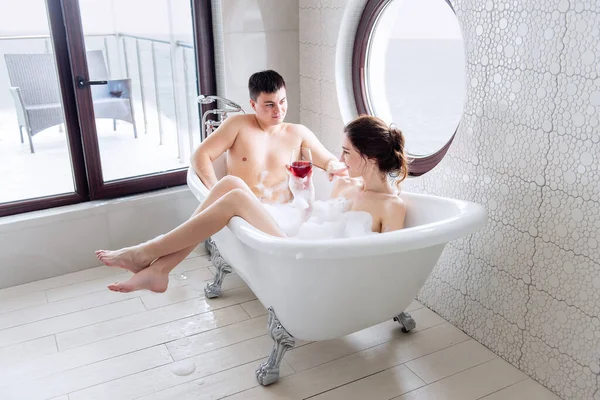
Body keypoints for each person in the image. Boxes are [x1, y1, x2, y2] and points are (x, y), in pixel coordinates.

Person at [96, 115, 408, 293]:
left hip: (313, 266)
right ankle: (159, 266)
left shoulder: (392, 207)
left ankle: (149, 254)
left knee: (233, 193)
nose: (339, 159)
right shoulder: (344, 182)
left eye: (346, 153)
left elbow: (386, 269)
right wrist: (303, 190)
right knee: (230, 183)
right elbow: (311, 215)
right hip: (299, 244)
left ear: (368, 158)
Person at [192, 69, 347, 203]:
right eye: (270, 105)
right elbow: (200, 155)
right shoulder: (237, 126)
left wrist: (335, 167)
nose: (278, 110)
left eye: (282, 101)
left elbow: (328, 161)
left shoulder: (298, 133)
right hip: (243, 212)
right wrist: (215, 194)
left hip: (284, 213)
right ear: (253, 105)